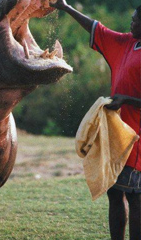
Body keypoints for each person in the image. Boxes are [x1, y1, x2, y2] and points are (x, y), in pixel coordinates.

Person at [49, 1, 141, 239]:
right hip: (115, 135)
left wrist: (127, 100)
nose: (131, 22)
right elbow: (97, 29)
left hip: (137, 139)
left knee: (135, 196)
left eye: (135, 19)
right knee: (114, 192)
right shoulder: (127, 43)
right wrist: (66, 7)